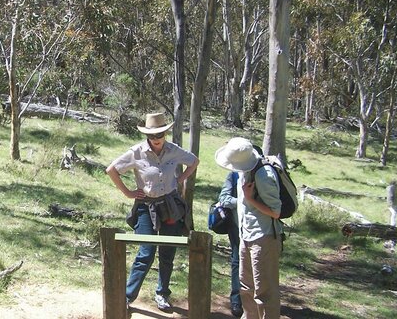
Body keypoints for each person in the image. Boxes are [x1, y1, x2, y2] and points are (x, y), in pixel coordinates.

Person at [106, 112, 199, 311]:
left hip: (170, 205)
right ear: (147, 135)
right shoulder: (136, 152)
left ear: (165, 133)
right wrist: (129, 192)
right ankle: (128, 296)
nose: (156, 139)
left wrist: (179, 179)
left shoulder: (174, 150)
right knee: (146, 252)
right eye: (152, 136)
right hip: (146, 207)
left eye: (160, 135)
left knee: (167, 252)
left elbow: (194, 161)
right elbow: (111, 170)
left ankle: (162, 294)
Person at [214, 137, 282, 319]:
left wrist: (250, 198)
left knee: (264, 292)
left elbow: (276, 212)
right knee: (246, 287)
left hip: (264, 237)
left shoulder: (264, 174)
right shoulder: (245, 171)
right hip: (246, 234)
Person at [217, 171, 243, 317]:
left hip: (262, 229)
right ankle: (236, 301)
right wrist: (244, 201)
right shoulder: (233, 175)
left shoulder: (265, 175)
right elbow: (224, 199)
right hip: (237, 225)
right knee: (237, 261)